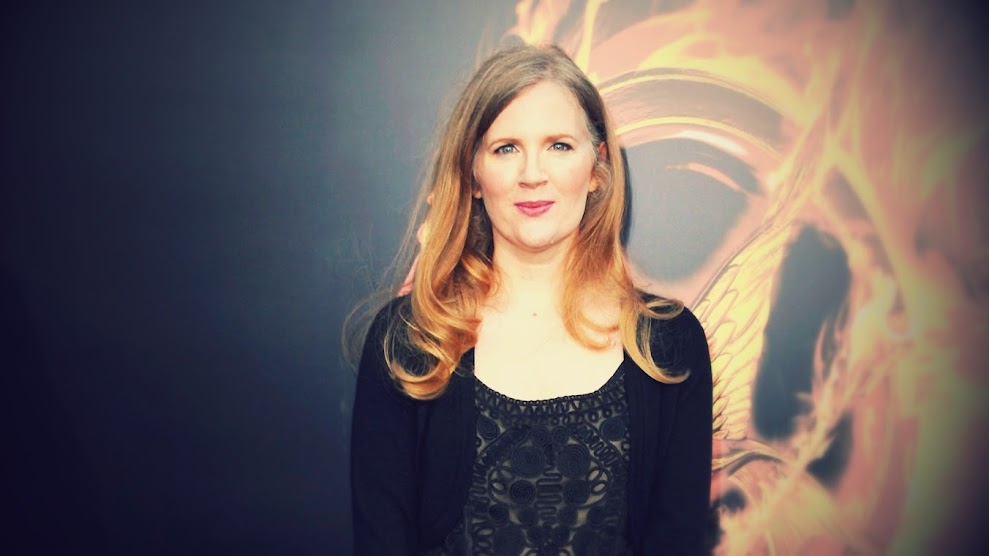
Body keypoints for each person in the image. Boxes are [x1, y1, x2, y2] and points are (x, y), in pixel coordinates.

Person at [350, 44, 713, 555]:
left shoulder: (670, 345)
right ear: (474, 174)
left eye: (559, 145)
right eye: (506, 148)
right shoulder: (409, 342)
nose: (532, 174)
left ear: (597, 168)